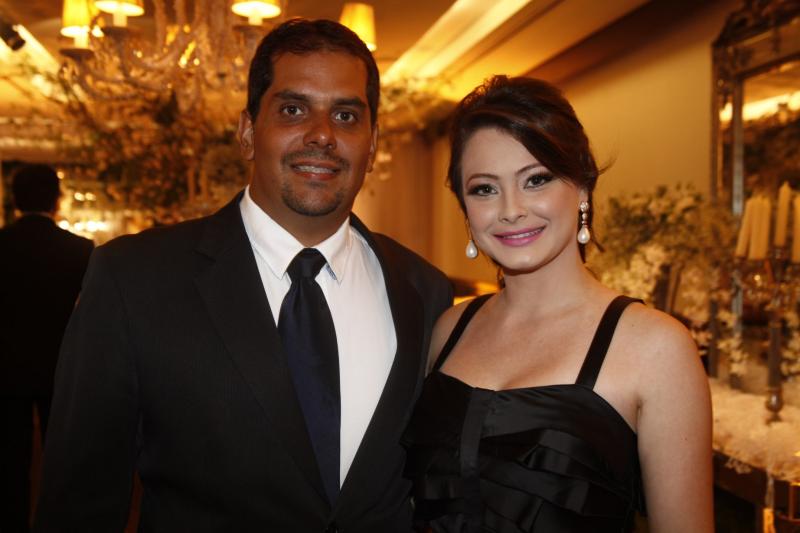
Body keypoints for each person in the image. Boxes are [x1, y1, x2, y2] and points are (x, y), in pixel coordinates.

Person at [34, 19, 452, 532]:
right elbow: (79, 503)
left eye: (346, 115)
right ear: (248, 132)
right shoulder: (133, 279)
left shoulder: (424, 292)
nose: (323, 134)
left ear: (372, 144)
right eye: (293, 110)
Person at [402, 76, 713, 532]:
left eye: (536, 180)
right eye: (484, 189)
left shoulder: (656, 347)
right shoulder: (449, 328)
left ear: (583, 187)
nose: (511, 209)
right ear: (465, 207)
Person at [0, 164, 93, 533]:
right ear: (57, 200)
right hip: (61, 364)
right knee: (63, 458)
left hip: (6, 366)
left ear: (15, 200)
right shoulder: (79, 249)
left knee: (10, 460)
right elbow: (91, 314)